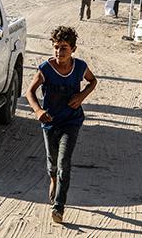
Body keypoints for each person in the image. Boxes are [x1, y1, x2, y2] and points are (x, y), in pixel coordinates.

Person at [26, 26, 98, 224]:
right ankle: (53, 179)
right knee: (53, 160)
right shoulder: (45, 69)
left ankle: (59, 206)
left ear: (73, 49)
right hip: (50, 122)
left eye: (64, 47)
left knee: (64, 162)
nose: (60, 52)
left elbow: (93, 81)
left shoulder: (80, 67)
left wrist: (82, 96)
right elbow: (29, 92)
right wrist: (38, 111)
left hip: (71, 121)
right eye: (56, 47)